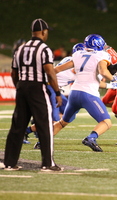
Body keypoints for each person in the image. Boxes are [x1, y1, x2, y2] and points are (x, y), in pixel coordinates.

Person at [4, 18, 63, 171]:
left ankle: (10, 163)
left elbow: (13, 72)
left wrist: (19, 87)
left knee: (17, 126)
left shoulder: (20, 49)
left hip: (22, 87)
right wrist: (57, 92)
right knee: (45, 125)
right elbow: (50, 72)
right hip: (37, 87)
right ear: (43, 32)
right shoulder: (44, 49)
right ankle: (48, 163)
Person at [52, 34, 117, 152]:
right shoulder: (102, 55)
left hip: (74, 93)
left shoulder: (78, 54)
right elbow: (103, 71)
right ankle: (91, 138)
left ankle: (43, 141)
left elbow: (56, 69)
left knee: (63, 122)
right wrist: (113, 79)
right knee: (106, 122)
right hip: (88, 94)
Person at [23, 43, 85, 148]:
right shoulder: (75, 63)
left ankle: (35, 125)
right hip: (51, 88)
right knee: (56, 119)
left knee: (68, 114)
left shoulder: (69, 59)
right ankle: (30, 132)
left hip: (56, 89)